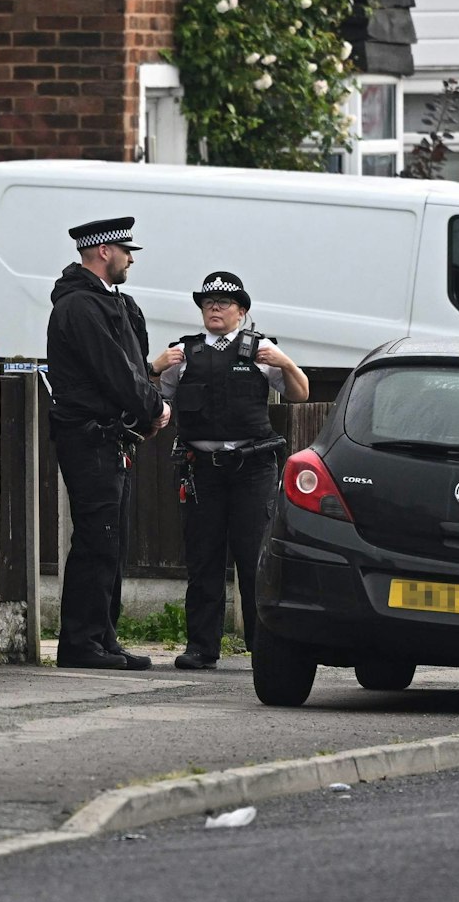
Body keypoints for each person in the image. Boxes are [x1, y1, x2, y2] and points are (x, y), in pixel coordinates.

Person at [157, 271, 309, 669]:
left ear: (241, 312)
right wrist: (154, 367)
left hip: (252, 468)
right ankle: (201, 647)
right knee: (203, 557)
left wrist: (286, 362)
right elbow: (156, 398)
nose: (214, 308)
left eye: (223, 303)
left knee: (252, 557)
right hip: (200, 469)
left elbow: (301, 392)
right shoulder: (182, 354)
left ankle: (264, 647)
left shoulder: (262, 352)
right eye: (208, 303)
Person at [46, 217, 176, 670]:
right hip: (89, 435)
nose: (131, 258)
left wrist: (146, 407)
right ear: (104, 251)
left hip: (110, 435)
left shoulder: (109, 302)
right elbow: (115, 371)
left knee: (112, 540)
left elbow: (134, 366)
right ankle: (80, 644)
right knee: (97, 539)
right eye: (126, 250)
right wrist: (153, 408)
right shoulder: (80, 307)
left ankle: (103, 637)